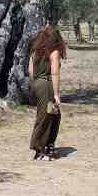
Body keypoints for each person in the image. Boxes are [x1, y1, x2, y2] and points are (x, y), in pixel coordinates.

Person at [28, 25, 67, 161]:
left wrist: (35, 85)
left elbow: (30, 70)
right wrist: (56, 93)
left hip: (38, 83)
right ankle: (39, 150)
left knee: (55, 115)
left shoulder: (36, 50)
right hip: (47, 85)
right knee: (45, 116)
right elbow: (55, 73)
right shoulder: (53, 51)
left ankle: (49, 145)